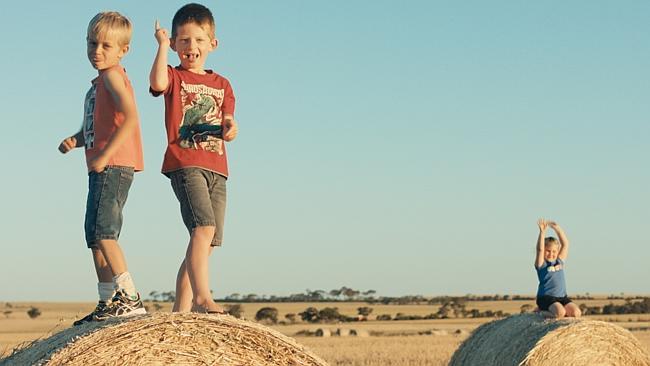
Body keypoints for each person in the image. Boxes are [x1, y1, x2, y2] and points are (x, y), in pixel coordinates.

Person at [149, 3, 239, 313]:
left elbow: (228, 118)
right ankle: (202, 298)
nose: (192, 47)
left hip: (218, 168)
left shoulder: (223, 85)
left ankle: (180, 312)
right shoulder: (174, 76)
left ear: (213, 44)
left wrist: (230, 126)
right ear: (175, 44)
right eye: (184, 41)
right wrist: (161, 47)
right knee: (203, 229)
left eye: (199, 40)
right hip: (185, 163)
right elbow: (158, 84)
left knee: (207, 241)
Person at [59, 11, 146, 325]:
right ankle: (108, 301)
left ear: (123, 51)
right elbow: (96, 128)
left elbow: (131, 116)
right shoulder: (96, 85)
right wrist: (76, 139)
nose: (97, 51)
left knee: (104, 233)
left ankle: (131, 297)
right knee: (94, 237)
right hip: (101, 166)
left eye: (106, 46)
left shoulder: (112, 76)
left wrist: (105, 154)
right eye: (92, 43)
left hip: (114, 164)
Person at [534, 219, 581, 319]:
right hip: (545, 298)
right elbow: (540, 249)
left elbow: (566, 245)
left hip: (562, 297)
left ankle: (556, 313)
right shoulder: (541, 264)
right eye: (548, 251)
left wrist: (557, 229)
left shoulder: (559, 261)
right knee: (560, 313)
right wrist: (542, 232)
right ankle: (541, 313)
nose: (551, 253)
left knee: (576, 313)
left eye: (554, 251)